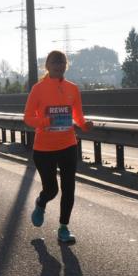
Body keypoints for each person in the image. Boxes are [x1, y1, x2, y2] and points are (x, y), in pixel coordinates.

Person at [23, 50, 93, 244]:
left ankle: (63, 227)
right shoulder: (38, 89)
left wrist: (85, 125)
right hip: (44, 149)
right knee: (52, 189)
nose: (59, 65)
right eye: (55, 62)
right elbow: (28, 117)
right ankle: (41, 202)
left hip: (68, 145)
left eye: (62, 62)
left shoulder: (73, 88)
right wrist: (46, 121)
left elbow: (78, 117)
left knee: (69, 187)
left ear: (66, 65)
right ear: (47, 65)